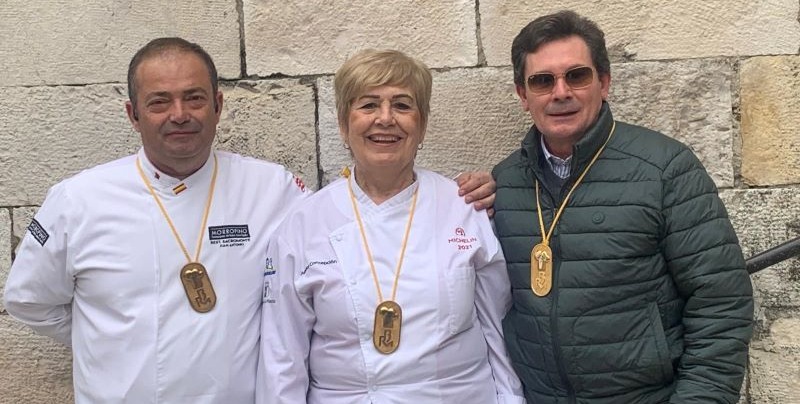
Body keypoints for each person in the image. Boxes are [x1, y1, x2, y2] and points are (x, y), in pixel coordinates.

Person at [3, 38, 496, 403]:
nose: (180, 114)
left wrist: (477, 193)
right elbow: (29, 300)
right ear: (133, 114)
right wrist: (110, 336)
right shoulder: (77, 199)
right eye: (159, 102)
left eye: (195, 98)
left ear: (218, 106)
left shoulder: (275, 190)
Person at [491, 10, 754, 404]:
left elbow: (721, 303)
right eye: (542, 81)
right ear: (522, 95)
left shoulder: (665, 168)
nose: (560, 92)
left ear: (605, 82)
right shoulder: (505, 182)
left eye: (576, 76)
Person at [256, 49, 525, 404]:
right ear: (343, 123)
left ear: (423, 124)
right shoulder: (304, 224)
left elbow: (498, 333)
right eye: (368, 105)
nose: (385, 119)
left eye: (402, 105)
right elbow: (282, 358)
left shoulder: (463, 208)